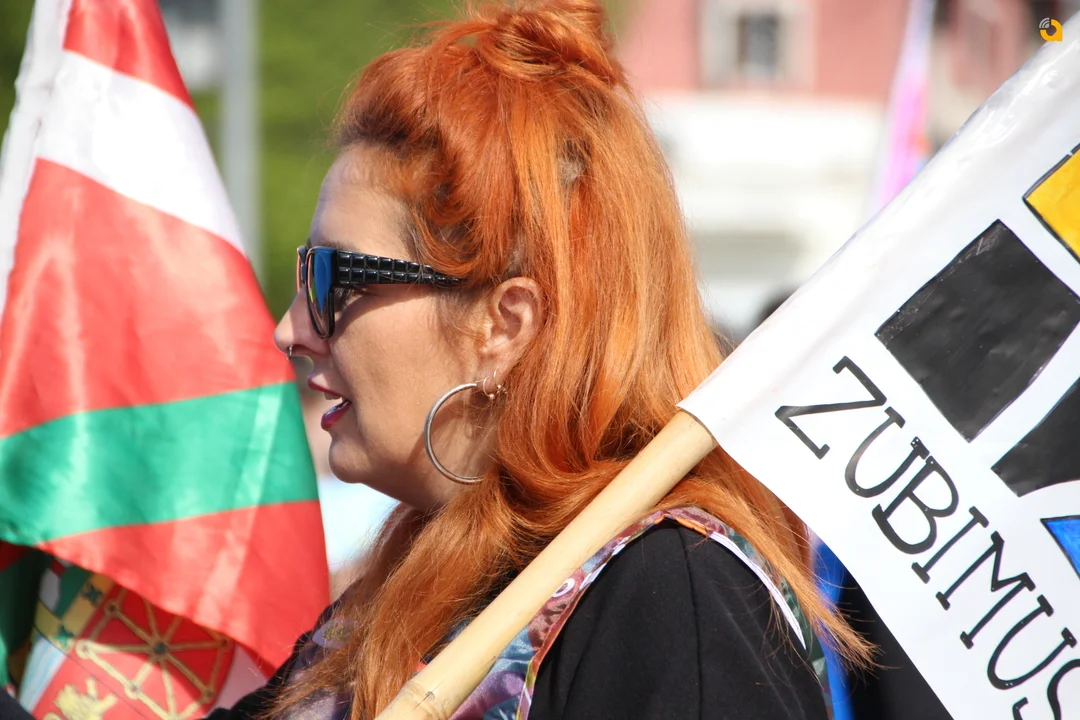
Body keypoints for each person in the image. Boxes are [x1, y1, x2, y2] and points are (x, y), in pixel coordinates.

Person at [1, 2, 871, 719]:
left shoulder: (671, 597)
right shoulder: (417, 583)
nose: (291, 330)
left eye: (334, 279)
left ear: (504, 323)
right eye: (302, 277)